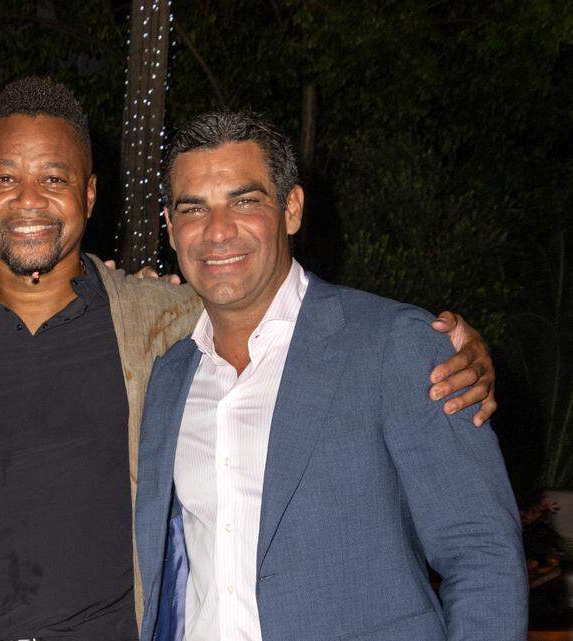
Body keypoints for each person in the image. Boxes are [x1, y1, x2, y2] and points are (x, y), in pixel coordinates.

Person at [0, 78, 498, 641]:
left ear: (90, 194)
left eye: (54, 177)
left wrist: (450, 344)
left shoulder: (154, 325)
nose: (218, 232)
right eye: (5, 178)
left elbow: (481, 550)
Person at [134, 110, 527, 641]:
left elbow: (481, 551)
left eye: (245, 201)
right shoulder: (170, 376)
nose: (218, 231)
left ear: (291, 209)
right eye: (194, 209)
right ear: (170, 227)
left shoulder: (393, 343)